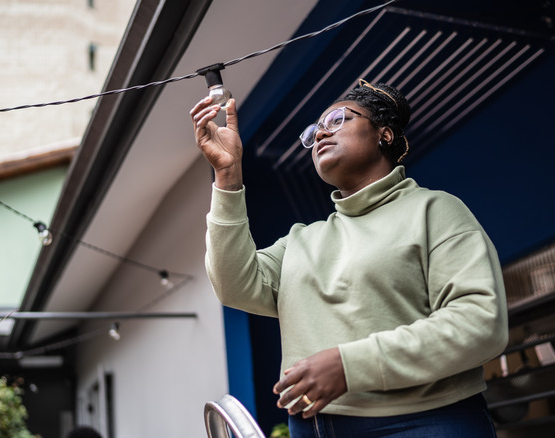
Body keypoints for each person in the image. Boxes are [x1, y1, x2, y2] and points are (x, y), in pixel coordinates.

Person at [190, 79, 508, 437]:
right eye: (314, 131)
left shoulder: (435, 210)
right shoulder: (301, 241)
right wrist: (228, 176)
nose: (322, 133)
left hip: (425, 420)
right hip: (314, 428)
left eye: (339, 119)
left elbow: (481, 322)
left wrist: (350, 365)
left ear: (383, 135)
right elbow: (233, 285)